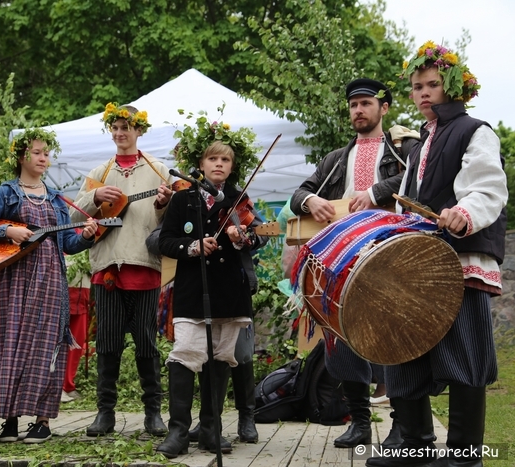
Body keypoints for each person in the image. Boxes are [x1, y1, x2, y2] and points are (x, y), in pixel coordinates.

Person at [366, 41, 508, 467]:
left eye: (432, 84)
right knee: (403, 347)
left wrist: (464, 214)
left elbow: (488, 188)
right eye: (416, 86)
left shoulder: (474, 130)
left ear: (450, 88)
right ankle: (415, 444)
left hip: (459, 262)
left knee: (464, 352)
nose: (424, 92)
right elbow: (407, 199)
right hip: (418, 266)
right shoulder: (420, 143)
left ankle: (466, 457)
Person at [289, 78, 416, 449]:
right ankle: (359, 421)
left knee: (392, 339)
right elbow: (299, 192)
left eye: (365, 103)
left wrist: (376, 192)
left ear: (384, 108)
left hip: (390, 255)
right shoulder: (335, 159)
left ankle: (400, 426)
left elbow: (419, 177)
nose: (358, 110)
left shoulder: (403, 147)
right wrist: (311, 201)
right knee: (342, 340)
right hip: (343, 261)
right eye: (353, 105)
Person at [0, 128, 98, 443]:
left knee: (47, 349)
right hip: (11, 283)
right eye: (37, 152)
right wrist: (8, 234)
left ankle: (42, 421)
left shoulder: (56, 199)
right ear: (21, 156)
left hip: (49, 283)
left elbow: (66, 243)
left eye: (46, 153)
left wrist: (86, 235)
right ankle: (11, 421)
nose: (44, 158)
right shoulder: (6, 192)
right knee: (9, 344)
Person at [156, 118, 264, 459]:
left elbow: (257, 238)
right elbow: (165, 241)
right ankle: (177, 431)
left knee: (221, 357)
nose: (219, 164)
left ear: (232, 167)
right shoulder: (182, 199)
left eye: (226, 160)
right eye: (213, 159)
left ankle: (210, 428)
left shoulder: (239, 199)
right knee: (186, 355)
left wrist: (241, 238)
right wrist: (193, 246)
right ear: (200, 165)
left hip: (230, 293)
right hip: (192, 291)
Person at [69, 103, 172, 437]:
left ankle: (153, 414)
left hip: (144, 265)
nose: (120, 133)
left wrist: (162, 205)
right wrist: (95, 195)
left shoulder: (159, 170)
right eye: (115, 128)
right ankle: (105, 413)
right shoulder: (100, 171)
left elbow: (171, 224)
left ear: (139, 130)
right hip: (108, 267)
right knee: (109, 343)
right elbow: (73, 216)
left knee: (145, 343)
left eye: (126, 127)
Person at [61, 251, 92, 403]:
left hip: (82, 295)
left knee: (76, 345)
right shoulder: (60, 229)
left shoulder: (91, 231)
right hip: (61, 292)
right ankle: (56, 387)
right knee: (58, 343)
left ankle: (68, 385)